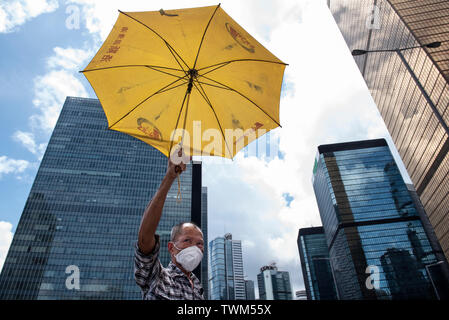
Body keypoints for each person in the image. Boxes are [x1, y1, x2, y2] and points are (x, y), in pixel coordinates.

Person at [134, 148, 205, 300]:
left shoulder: (199, 289)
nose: (195, 247)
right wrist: (170, 176)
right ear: (171, 247)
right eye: (187, 240)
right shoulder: (156, 277)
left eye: (200, 244)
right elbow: (145, 239)